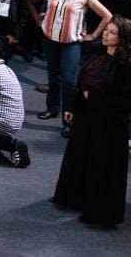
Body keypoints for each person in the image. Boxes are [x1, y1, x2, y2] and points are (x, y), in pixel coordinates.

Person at [52, 17, 131, 228]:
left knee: (100, 166)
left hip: (110, 124)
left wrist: (93, 98)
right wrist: (72, 106)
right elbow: (81, 83)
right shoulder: (97, 52)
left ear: (122, 38)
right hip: (87, 116)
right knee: (78, 157)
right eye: (107, 30)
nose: (105, 34)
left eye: (112, 32)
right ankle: (73, 198)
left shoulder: (127, 65)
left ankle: (97, 211)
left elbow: (126, 102)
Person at [28, 0, 113, 136]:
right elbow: (29, 0)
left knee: (69, 81)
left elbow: (107, 15)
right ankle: (52, 108)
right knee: (53, 76)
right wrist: (38, 18)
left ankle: (68, 119)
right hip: (50, 40)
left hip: (71, 43)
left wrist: (93, 35)